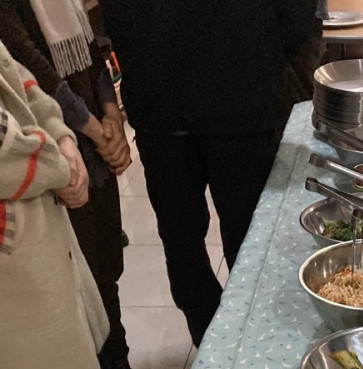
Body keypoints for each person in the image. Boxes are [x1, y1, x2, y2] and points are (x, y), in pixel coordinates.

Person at [97, 0, 321, 348]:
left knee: (210, 242)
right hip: (212, 99)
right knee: (227, 243)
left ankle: (227, 342)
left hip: (199, 100)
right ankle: (231, 344)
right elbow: (298, 21)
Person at [0, 0, 172, 369]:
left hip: (92, 141)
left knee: (108, 263)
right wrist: (95, 130)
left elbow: (96, 47)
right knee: (83, 274)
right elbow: (31, 64)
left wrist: (112, 113)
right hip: (58, 148)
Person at [0, 41, 142, 369]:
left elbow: (27, 85)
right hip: (12, 233)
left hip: (41, 209)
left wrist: (64, 138)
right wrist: (61, 164)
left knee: (80, 340)